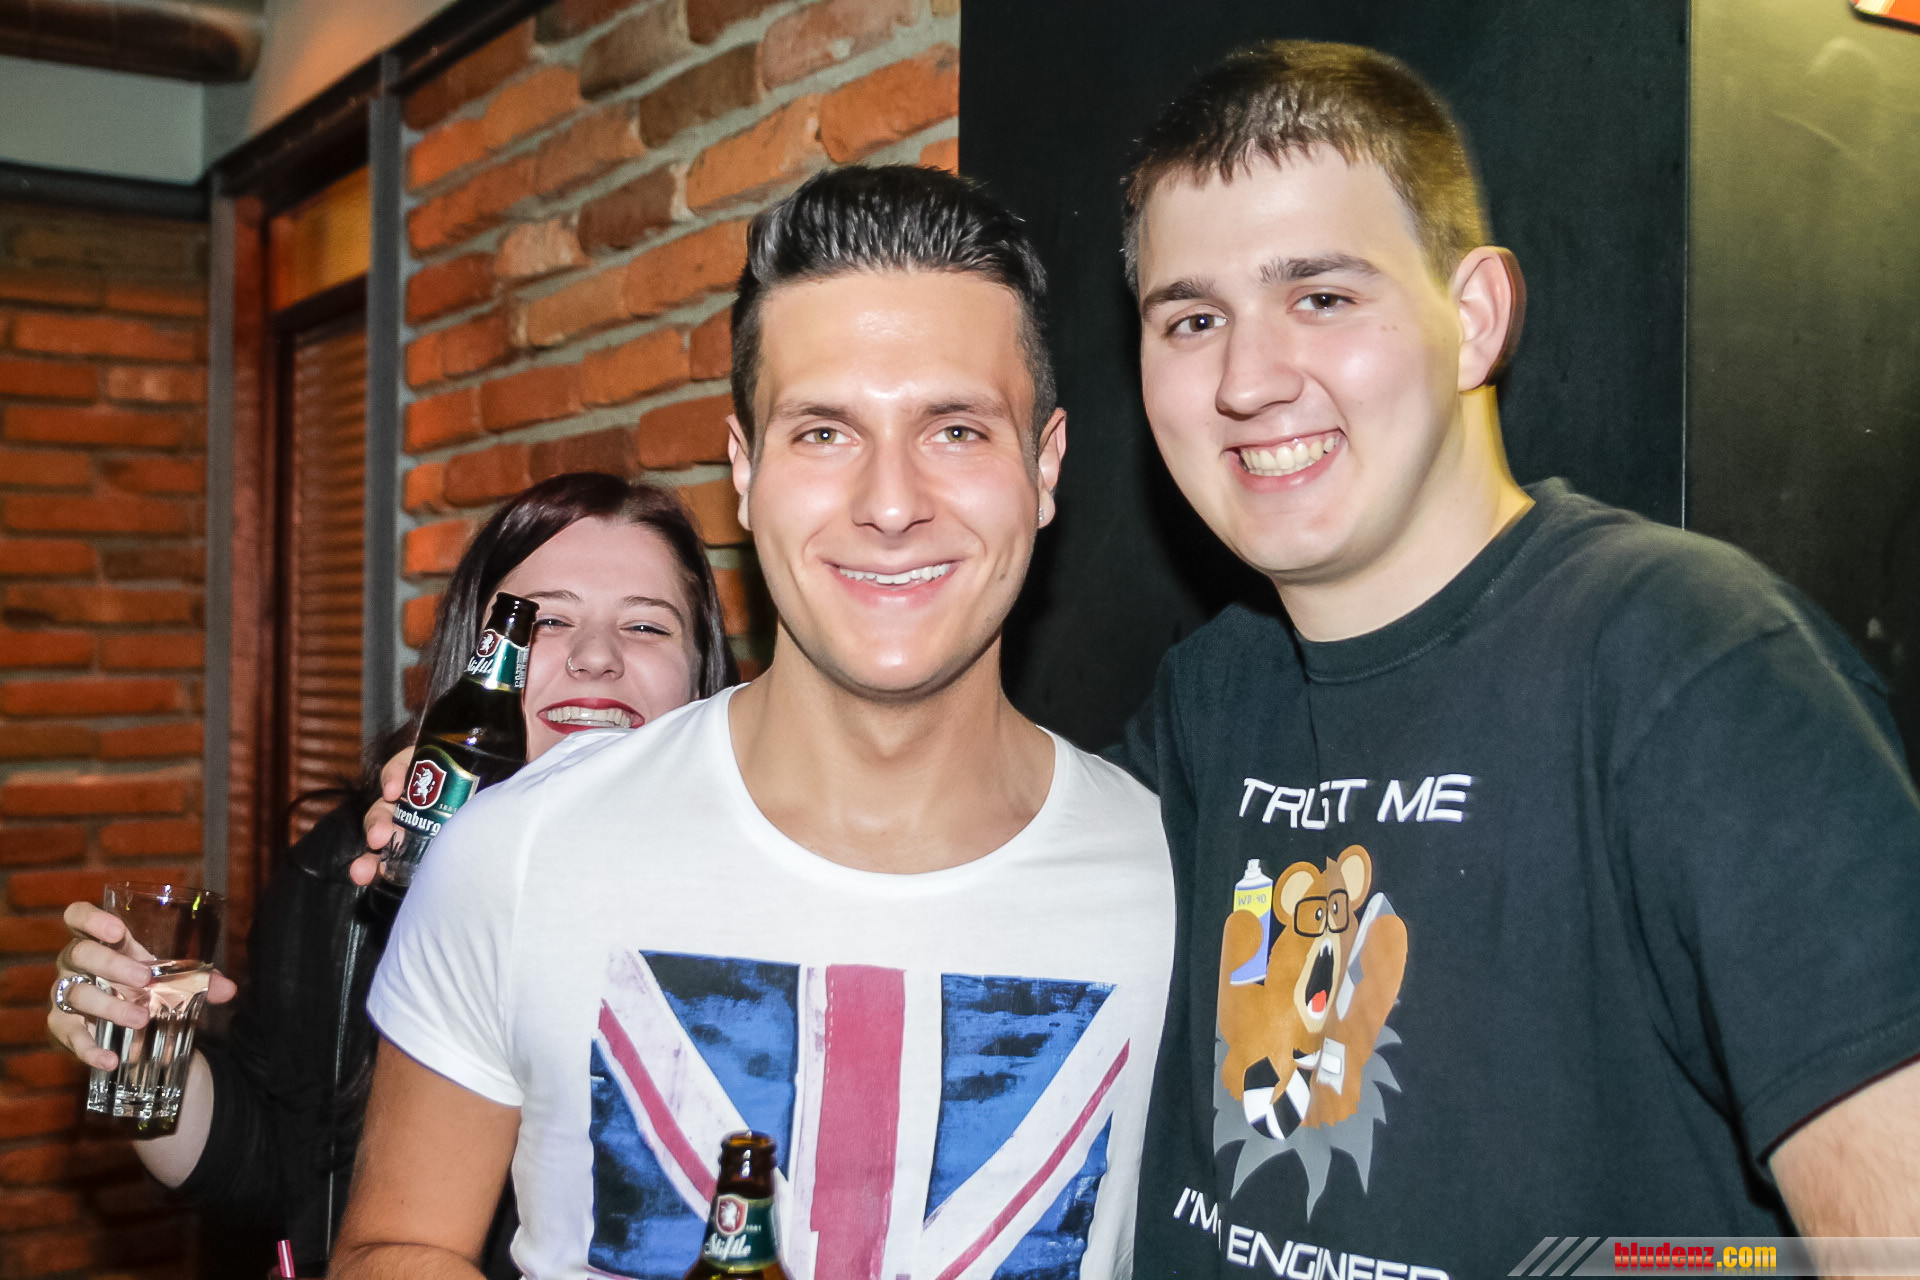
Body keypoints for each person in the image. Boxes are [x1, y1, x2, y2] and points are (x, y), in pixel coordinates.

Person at [1111, 41, 1920, 1278]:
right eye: (1193, 319)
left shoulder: (1694, 661)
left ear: (1475, 318)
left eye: (1321, 297)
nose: (1248, 379)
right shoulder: (1211, 698)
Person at [331, 166, 1175, 1280]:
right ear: (744, 467)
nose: (889, 502)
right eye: (823, 431)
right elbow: (397, 1243)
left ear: (1045, 465)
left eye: (956, 429)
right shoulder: (520, 850)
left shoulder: (1172, 879)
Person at [46, 473, 735, 1276]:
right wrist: (139, 1051)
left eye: (646, 626)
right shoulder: (352, 867)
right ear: (477, 658)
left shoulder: (759, 886)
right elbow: (279, 1172)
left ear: (701, 676)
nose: (596, 657)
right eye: (545, 620)